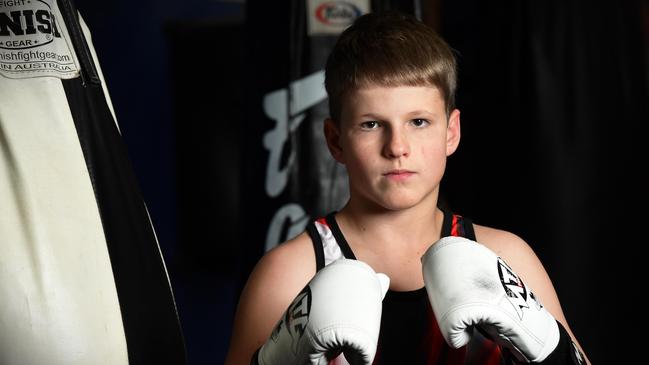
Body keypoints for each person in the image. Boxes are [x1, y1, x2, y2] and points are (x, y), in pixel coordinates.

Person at [225, 11, 590, 365]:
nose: (397, 147)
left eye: (418, 121)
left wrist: (550, 350)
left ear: (451, 132)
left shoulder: (507, 257)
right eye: (371, 124)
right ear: (335, 141)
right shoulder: (289, 273)